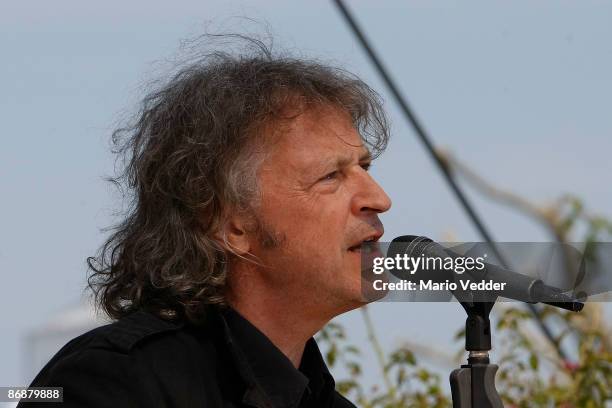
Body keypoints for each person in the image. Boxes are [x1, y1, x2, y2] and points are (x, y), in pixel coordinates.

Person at [20, 36, 392, 407]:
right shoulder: (112, 382)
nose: (379, 199)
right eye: (330, 176)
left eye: (365, 166)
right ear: (232, 226)